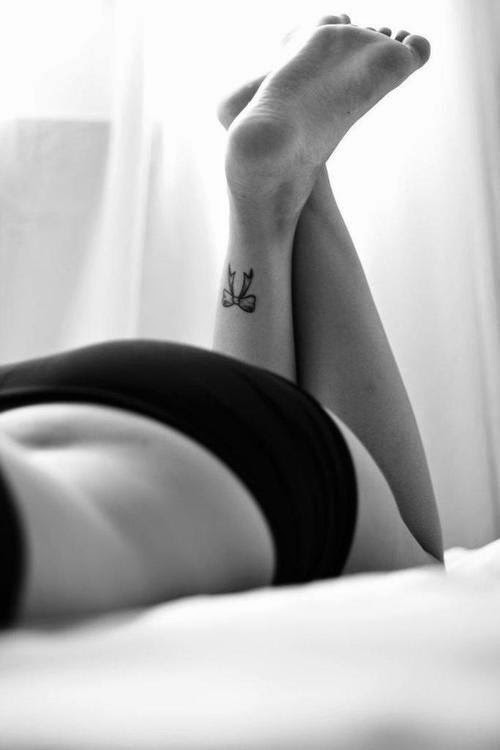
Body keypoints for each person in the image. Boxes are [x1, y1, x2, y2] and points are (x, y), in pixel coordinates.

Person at [0, 14, 443, 629]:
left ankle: (279, 178)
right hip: (70, 409)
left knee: (413, 578)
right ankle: (287, 178)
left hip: (152, 468)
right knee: (384, 569)